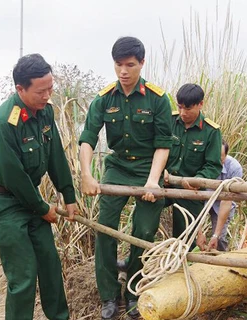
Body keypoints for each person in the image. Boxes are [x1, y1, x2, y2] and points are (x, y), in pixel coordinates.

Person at [79, 36, 172, 320]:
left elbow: (163, 144)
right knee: (105, 228)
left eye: (130, 65)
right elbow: (87, 139)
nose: (123, 71)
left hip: (148, 168)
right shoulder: (104, 98)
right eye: (118, 65)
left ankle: (133, 291)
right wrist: (86, 175)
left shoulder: (158, 99)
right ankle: (108, 295)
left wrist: (153, 181)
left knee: (143, 231)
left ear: (141, 63)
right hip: (117, 167)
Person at [0, 53, 78, 320]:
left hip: (30, 200)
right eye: (40, 91)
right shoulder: (3, 122)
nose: (47, 96)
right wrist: (42, 207)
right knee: (23, 276)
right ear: (20, 88)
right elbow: (13, 177)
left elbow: (55, 154)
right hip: (3, 204)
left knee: (50, 266)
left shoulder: (45, 112)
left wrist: (69, 195)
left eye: (50, 89)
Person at [164, 83, 222, 248]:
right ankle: (137, 264)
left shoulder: (211, 131)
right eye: (180, 107)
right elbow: (155, 149)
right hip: (164, 183)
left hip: (190, 191)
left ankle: (180, 268)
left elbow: (213, 165)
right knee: (145, 221)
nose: (183, 113)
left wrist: (198, 179)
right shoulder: (169, 121)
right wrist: (161, 172)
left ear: (201, 104)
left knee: (185, 239)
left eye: (188, 108)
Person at [196, 139, 243, 251]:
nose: (216, 162)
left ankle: (220, 261)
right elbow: (194, 199)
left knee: (220, 238)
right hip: (201, 200)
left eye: (220, 158)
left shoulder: (234, 169)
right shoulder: (199, 163)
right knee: (191, 233)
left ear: (226, 155)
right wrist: (199, 232)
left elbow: (227, 201)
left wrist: (215, 235)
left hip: (222, 204)